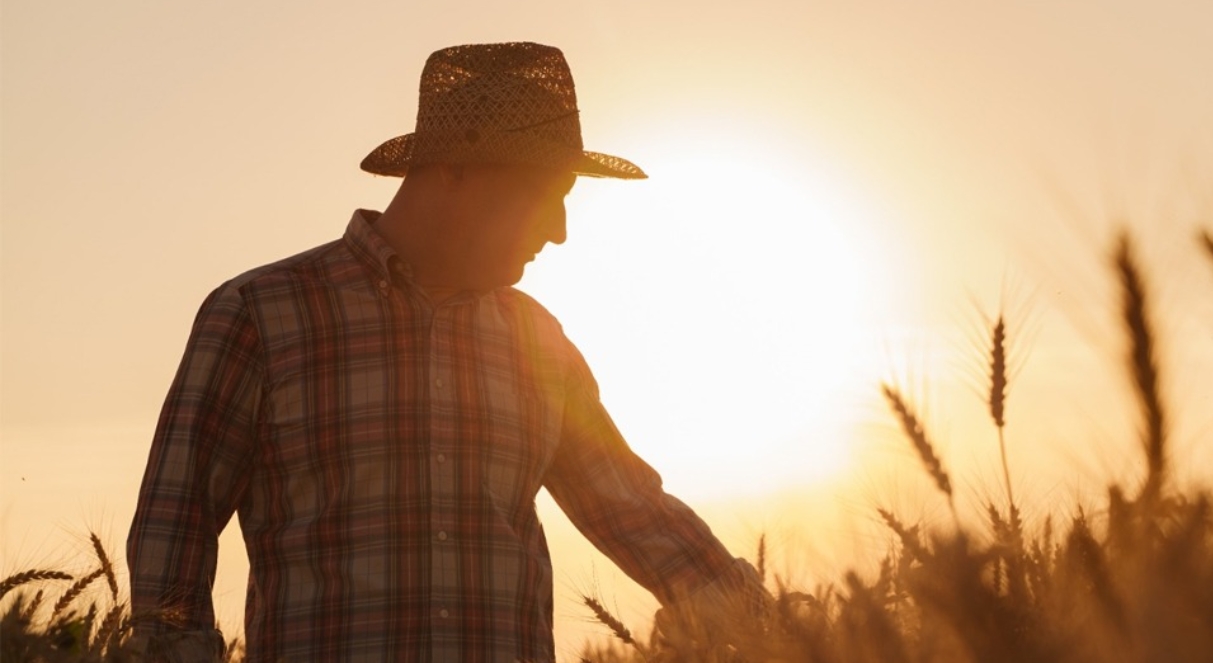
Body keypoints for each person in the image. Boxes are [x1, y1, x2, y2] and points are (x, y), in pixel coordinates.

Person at [127, 42, 761, 663]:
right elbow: (175, 519)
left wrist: (789, 629)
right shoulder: (261, 314)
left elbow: (631, 508)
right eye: (546, 194)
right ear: (455, 170)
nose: (561, 232)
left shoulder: (538, 341)